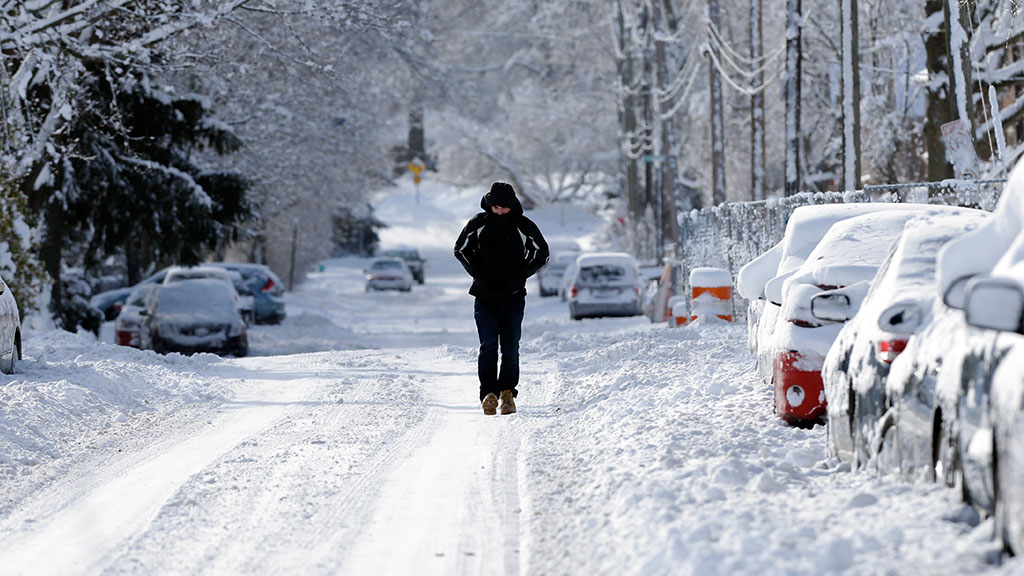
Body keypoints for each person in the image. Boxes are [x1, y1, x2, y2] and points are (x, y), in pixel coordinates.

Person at [454, 181, 549, 415]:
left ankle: (507, 393)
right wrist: (477, 272)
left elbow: (542, 253)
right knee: (488, 345)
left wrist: (520, 275)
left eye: (503, 207)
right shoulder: (478, 223)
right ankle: (488, 394)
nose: (499, 212)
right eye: (495, 207)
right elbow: (460, 249)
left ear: (512, 206)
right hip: (484, 295)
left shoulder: (523, 226)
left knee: (510, 346)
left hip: (513, 296)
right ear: (489, 204)